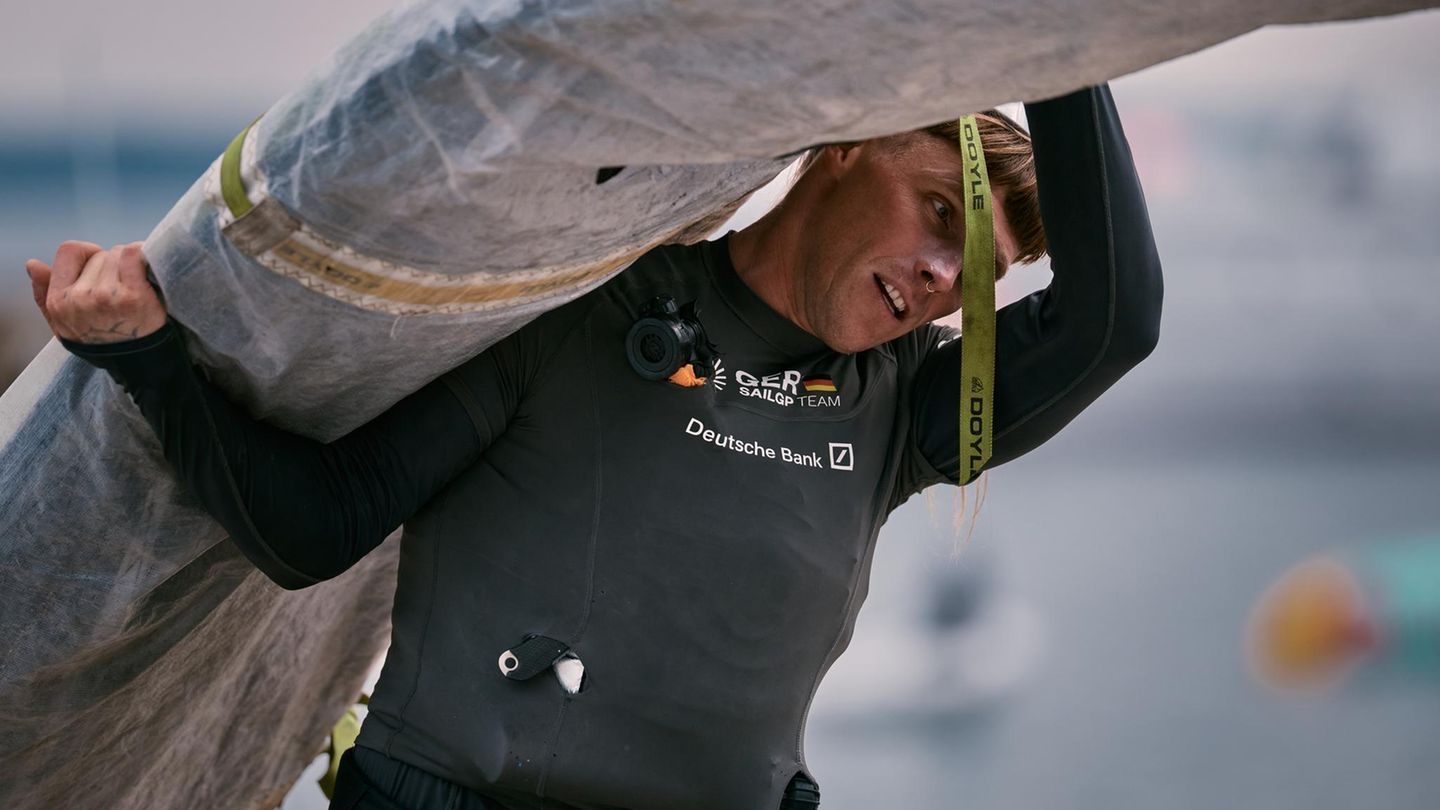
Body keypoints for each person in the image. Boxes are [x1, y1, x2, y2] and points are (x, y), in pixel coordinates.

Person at [25, 84, 1161, 810]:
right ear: (845, 152)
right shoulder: (582, 311)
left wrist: (1068, 50)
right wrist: (154, 361)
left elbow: (1114, 321)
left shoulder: (903, 409)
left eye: (979, 276)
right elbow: (313, 525)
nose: (939, 278)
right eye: (941, 215)